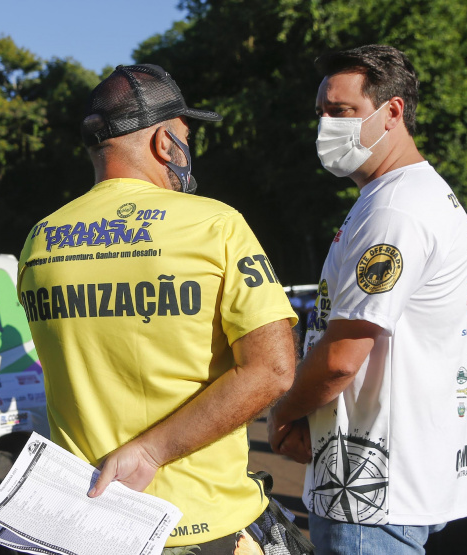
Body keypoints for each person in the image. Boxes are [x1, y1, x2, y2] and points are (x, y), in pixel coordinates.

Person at [18, 64, 311, 554]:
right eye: (184, 135)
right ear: (162, 143)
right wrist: (151, 450)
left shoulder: (39, 238)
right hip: (200, 521)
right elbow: (273, 369)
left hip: (89, 525)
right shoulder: (216, 224)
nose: (186, 149)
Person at [267, 45, 467, 554]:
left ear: (393, 111)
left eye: (341, 112)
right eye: (321, 112)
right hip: (387, 484)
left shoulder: (396, 209)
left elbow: (342, 359)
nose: (325, 126)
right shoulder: (398, 197)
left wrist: (284, 412)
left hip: (369, 499)